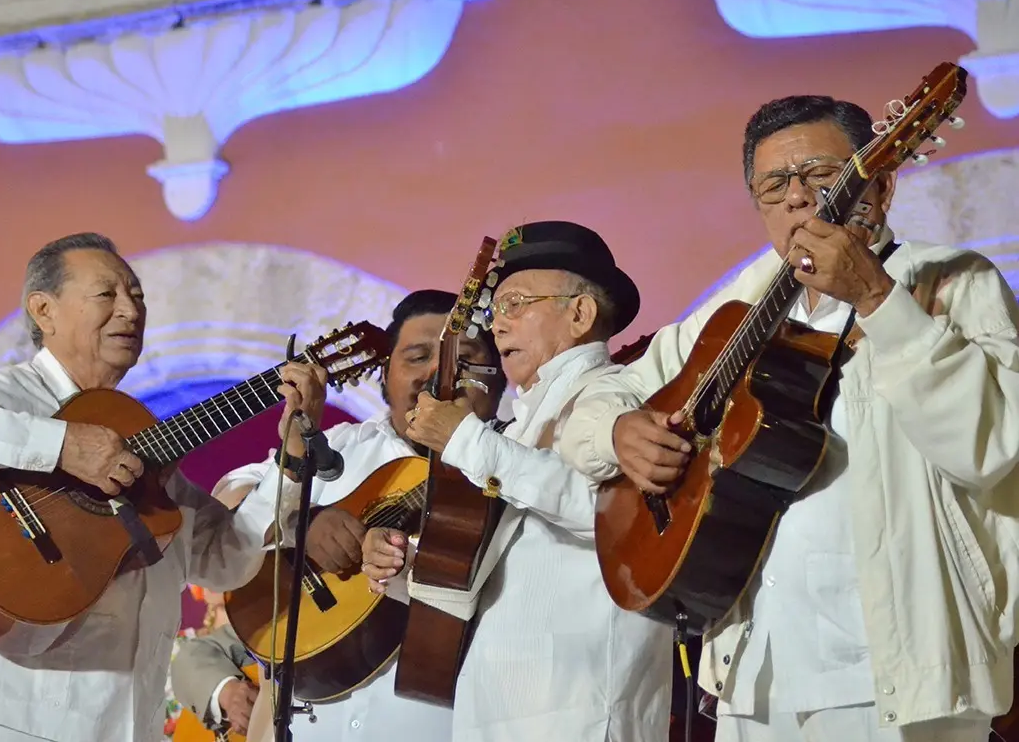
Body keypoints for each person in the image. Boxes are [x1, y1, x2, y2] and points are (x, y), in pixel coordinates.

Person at [557, 95, 1019, 742]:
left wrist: (876, 300)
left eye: (819, 175)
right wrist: (616, 431)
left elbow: (992, 444)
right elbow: (589, 408)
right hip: (755, 674)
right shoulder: (743, 299)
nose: (798, 197)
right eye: (774, 185)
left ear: (878, 184)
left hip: (898, 677)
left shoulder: (951, 282)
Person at [0, 232, 263, 742]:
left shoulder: (141, 440)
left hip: (134, 725)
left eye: (138, 296)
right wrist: (61, 446)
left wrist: (291, 466)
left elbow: (227, 561)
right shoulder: (8, 394)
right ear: (44, 310)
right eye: (107, 294)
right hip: (21, 720)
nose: (130, 310)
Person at [361, 221, 673, 742]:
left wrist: (468, 440)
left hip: (580, 708)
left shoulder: (619, 393)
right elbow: (502, 566)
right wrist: (405, 563)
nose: (497, 326)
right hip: (499, 707)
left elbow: (615, 518)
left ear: (580, 314)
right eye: (494, 309)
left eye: (516, 304)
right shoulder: (519, 424)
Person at [169, 289, 507, 741]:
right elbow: (232, 497)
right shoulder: (340, 445)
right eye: (418, 355)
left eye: (461, 358)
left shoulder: (518, 468)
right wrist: (303, 521)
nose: (436, 372)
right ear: (385, 376)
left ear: (499, 379)